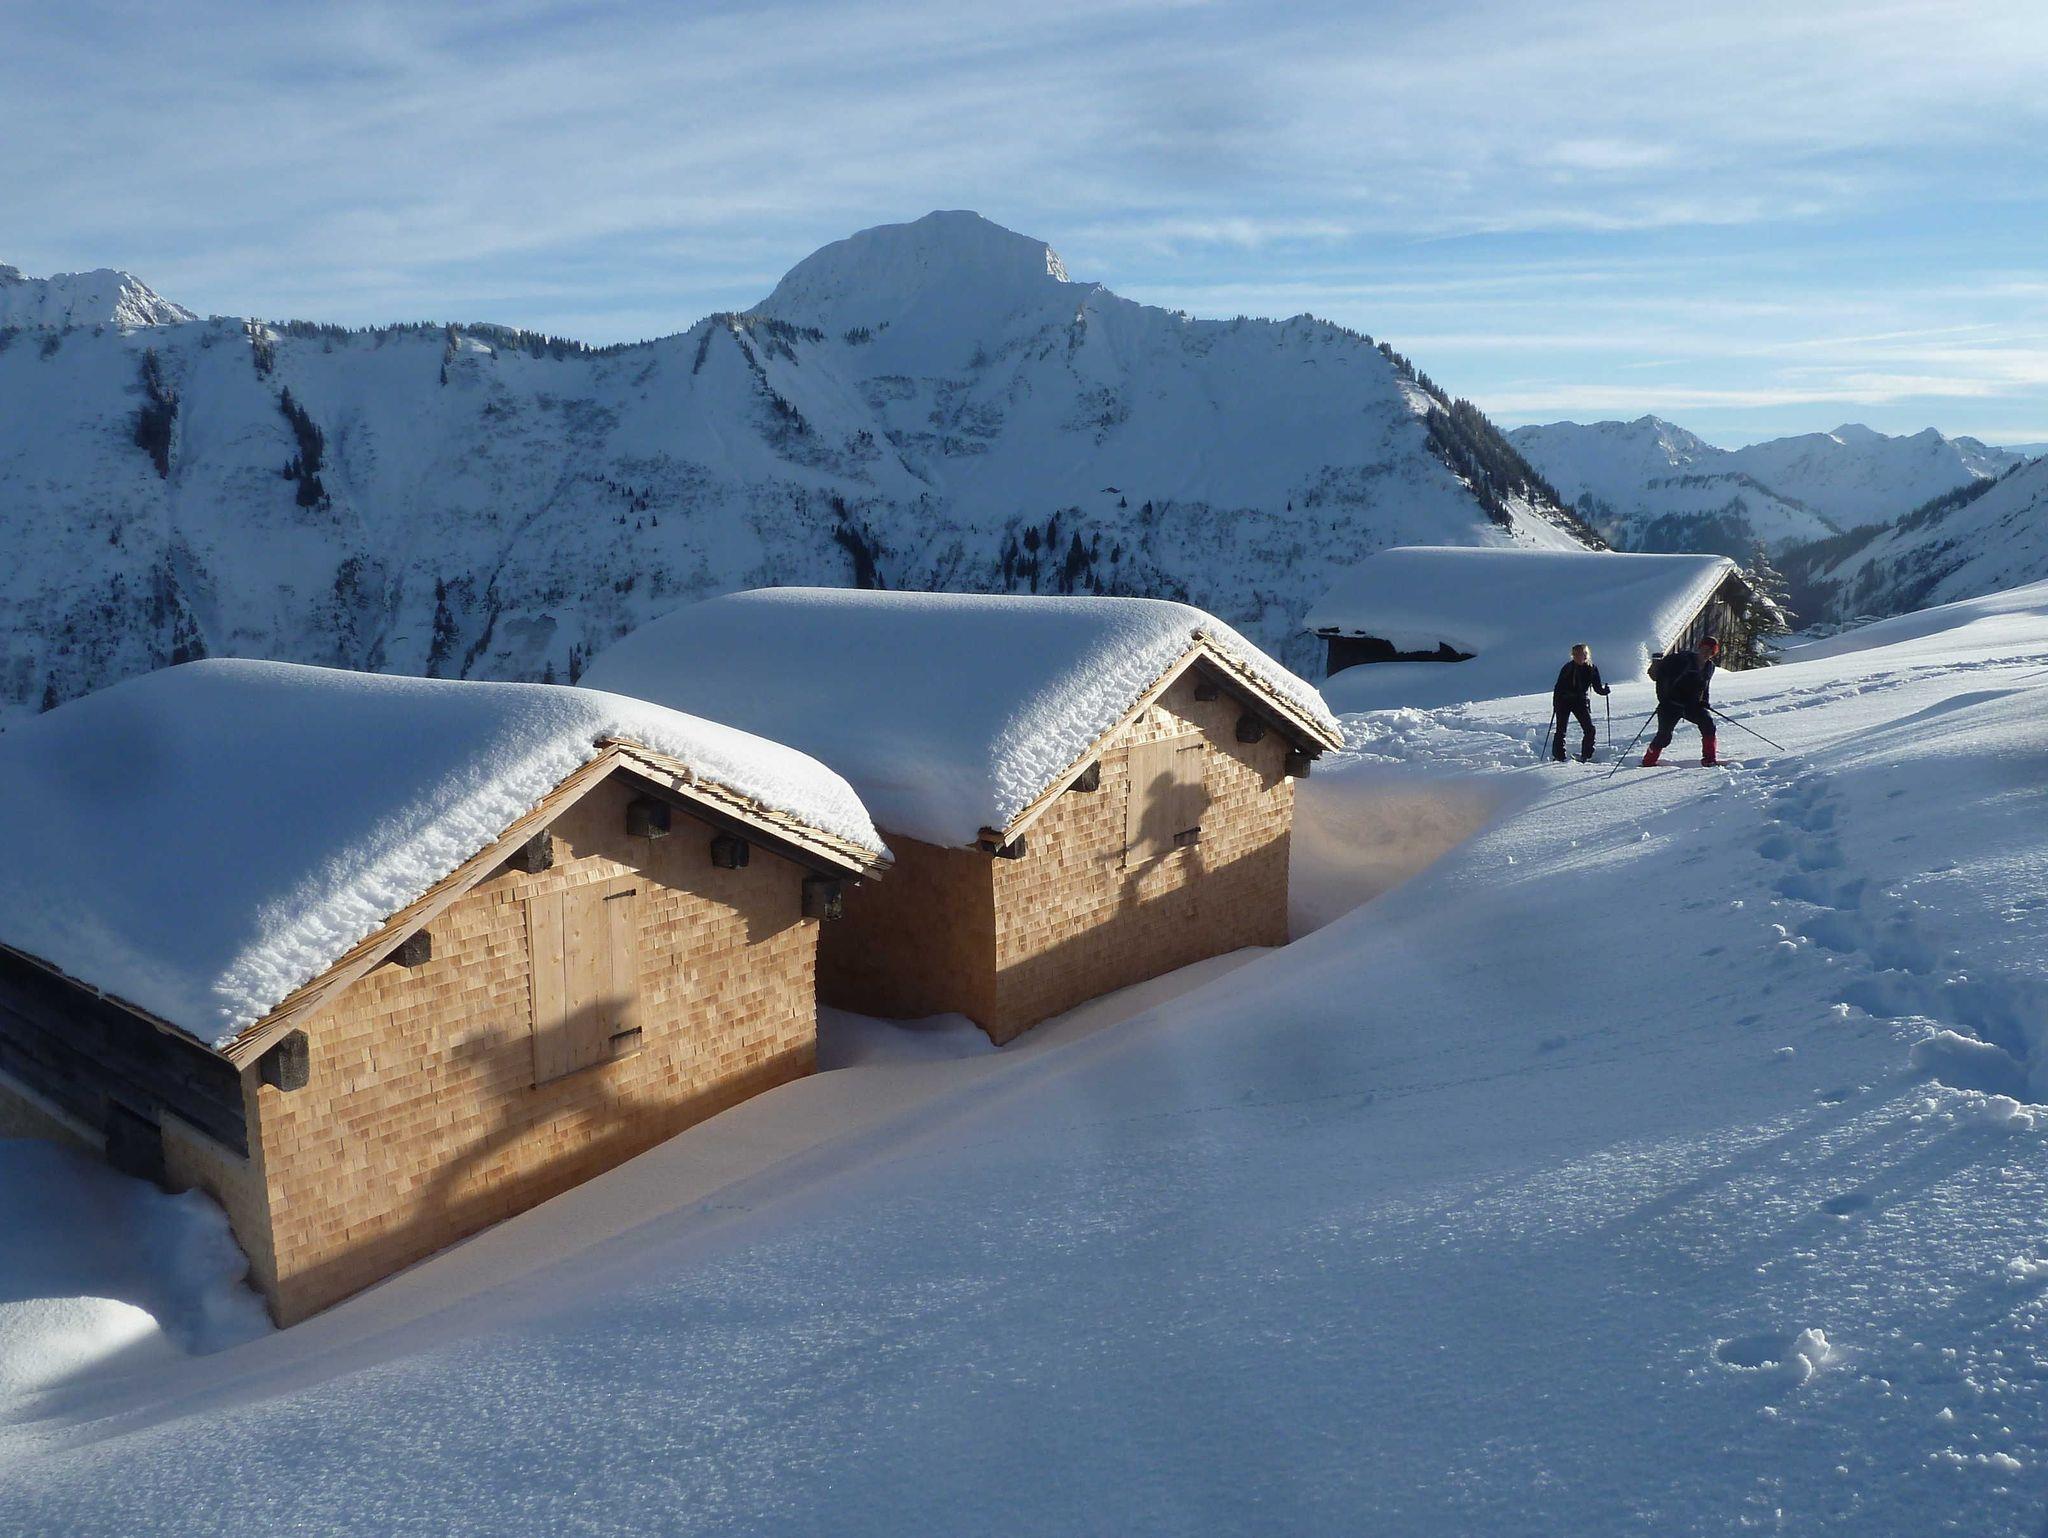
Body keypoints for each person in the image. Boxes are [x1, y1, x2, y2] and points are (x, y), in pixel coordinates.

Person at [1642, 635, 1720, 766]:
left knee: (1708, 725)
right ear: (1700, 647)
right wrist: (1664, 700)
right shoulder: (1683, 660)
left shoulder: (1709, 666)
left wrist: (1704, 701)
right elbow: (1662, 679)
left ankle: (1710, 759)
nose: (1707, 653)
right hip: (1670, 705)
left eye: (1711, 651)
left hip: (1691, 706)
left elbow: (1705, 687)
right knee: (1664, 737)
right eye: (1705, 649)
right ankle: (1648, 761)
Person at [1551, 642, 1610, 761]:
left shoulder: (1592, 668)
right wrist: (1556, 703)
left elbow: (1597, 687)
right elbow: (1558, 687)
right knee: (1561, 730)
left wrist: (1604, 691)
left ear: (1586, 655)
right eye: (1575, 654)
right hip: (1564, 701)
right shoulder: (1568, 668)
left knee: (1589, 729)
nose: (1577, 657)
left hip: (1580, 701)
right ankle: (1559, 756)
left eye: (1580, 654)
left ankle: (1586, 755)